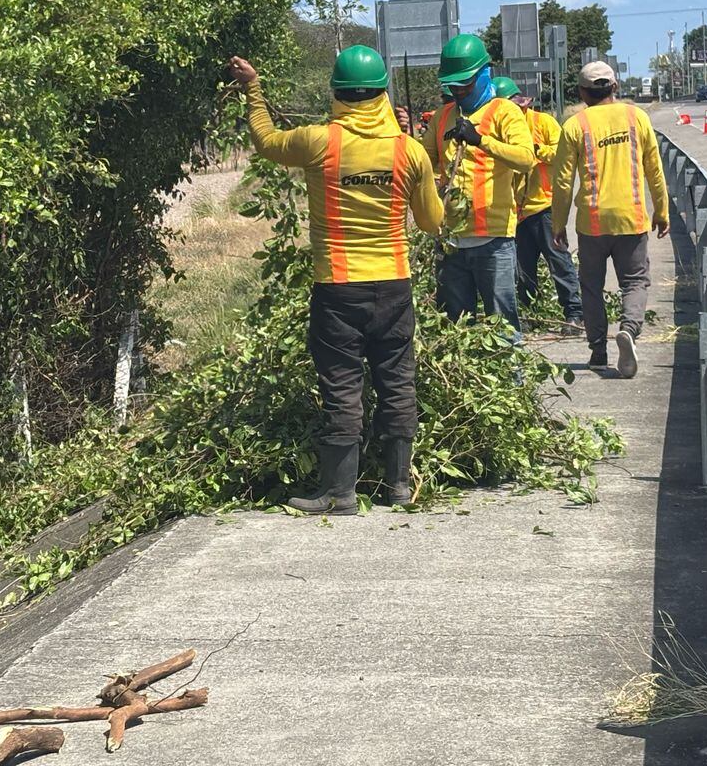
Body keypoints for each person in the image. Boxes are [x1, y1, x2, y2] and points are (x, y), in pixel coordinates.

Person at [230, 46, 443, 514]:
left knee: (343, 385)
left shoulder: (317, 142)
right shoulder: (408, 151)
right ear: (384, 93)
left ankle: (340, 493)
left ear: (337, 94)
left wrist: (253, 87)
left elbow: (265, 140)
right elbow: (431, 222)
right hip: (394, 287)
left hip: (337, 289)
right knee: (397, 382)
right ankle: (398, 487)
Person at [550, 60, 670, 376]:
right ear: (614, 87)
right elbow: (654, 170)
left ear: (581, 92)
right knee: (634, 281)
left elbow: (562, 181)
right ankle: (628, 328)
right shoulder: (637, 118)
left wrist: (557, 223)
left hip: (591, 222)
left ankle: (599, 350)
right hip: (631, 217)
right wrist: (662, 210)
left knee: (590, 286)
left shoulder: (575, 125)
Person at [419, 34, 535, 333]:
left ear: (484, 74)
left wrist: (481, 140)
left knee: (502, 326)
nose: (458, 91)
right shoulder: (442, 117)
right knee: (457, 328)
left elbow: (525, 159)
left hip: (493, 239)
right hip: (451, 241)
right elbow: (425, 163)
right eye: (452, 85)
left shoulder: (504, 112)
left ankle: (513, 378)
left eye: (465, 84)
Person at [492, 77, 582, 334]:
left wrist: (534, 150)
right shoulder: (499, 130)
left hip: (545, 207)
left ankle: (573, 314)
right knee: (522, 269)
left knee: (559, 262)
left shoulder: (543, 123)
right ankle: (531, 315)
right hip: (517, 212)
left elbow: (562, 153)